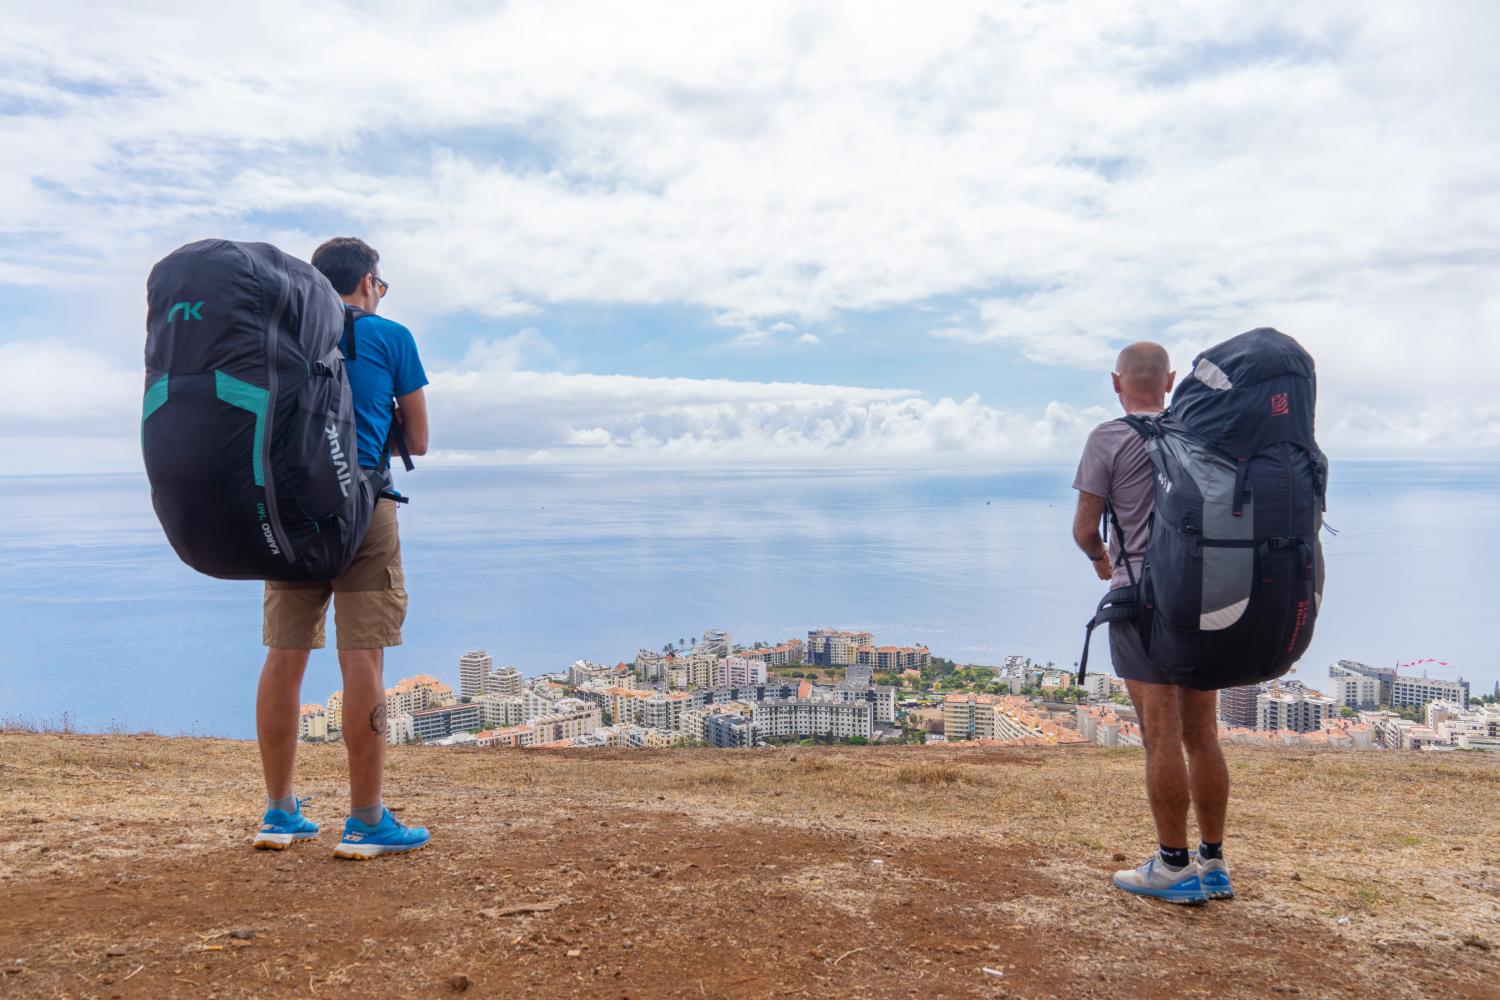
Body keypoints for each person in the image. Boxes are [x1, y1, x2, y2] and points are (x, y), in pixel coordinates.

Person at [252, 237, 433, 860]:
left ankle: (279, 813)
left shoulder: (284, 334)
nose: (380, 295)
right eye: (380, 285)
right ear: (365, 283)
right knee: (364, 660)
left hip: (290, 511)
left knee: (284, 655)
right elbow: (420, 438)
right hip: (363, 508)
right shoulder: (390, 337)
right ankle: (365, 820)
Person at [1071, 341, 1231, 904]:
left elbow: (1086, 529)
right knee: (1202, 735)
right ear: (1168, 381)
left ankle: (1172, 866)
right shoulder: (1201, 433)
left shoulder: (1107, 438)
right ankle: (1213, 863)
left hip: (1141, 602)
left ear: (1117, 382)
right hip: (1206, 601)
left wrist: (1100, 560)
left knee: (1160, 736)